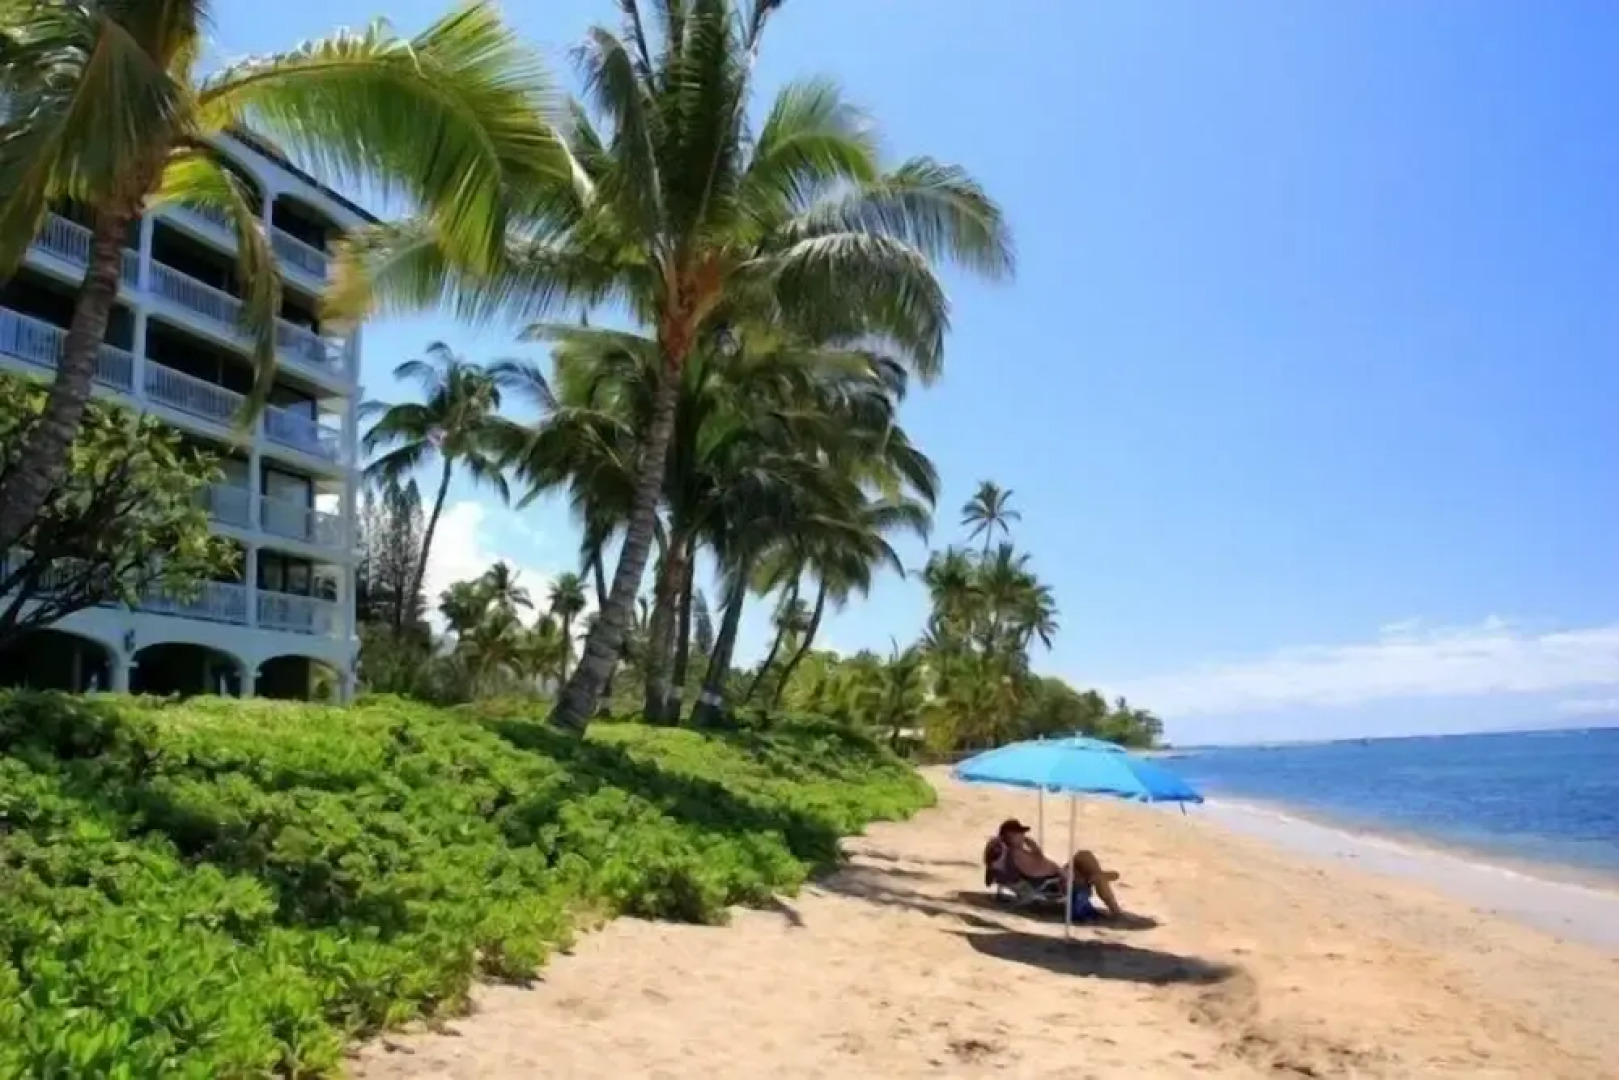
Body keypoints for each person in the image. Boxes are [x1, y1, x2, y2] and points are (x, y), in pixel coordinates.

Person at [996, 818, 1124, 917]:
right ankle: (1113, 906)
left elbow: (1038, 865)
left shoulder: (1018, 852)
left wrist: (1035, 850)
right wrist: (1060, 872)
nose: (1024, 835)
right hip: (1057, 883)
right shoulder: (1017, 854)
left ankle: (1096, 877)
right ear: (1011, 835)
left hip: (1057, 877)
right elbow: (1037, 872)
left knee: (1084, 855)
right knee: (1090, 864)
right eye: (1020, 833)